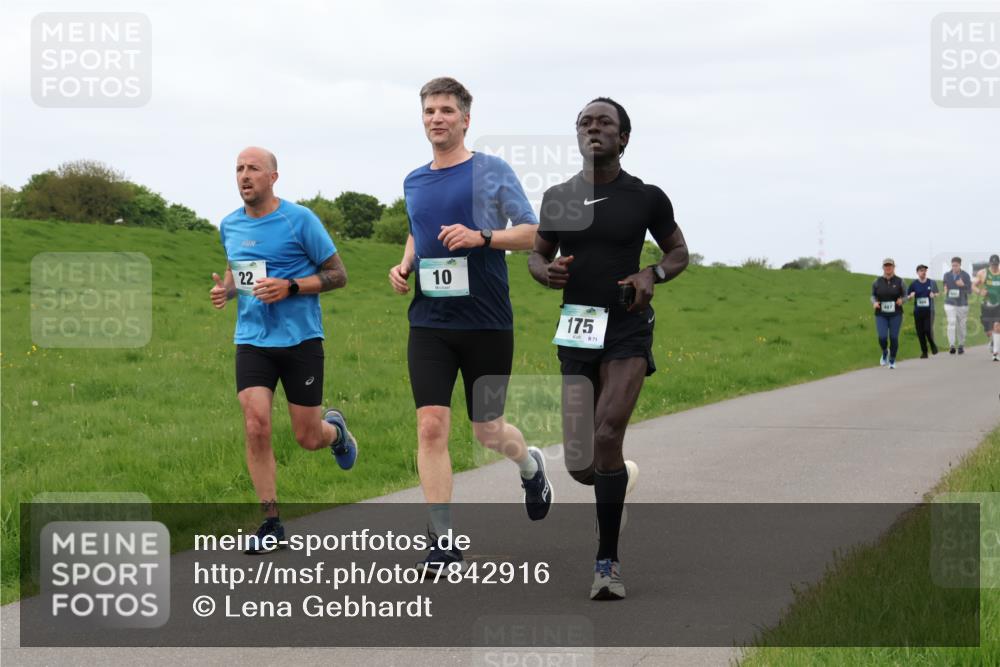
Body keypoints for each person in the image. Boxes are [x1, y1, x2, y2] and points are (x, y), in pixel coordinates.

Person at [387, 77, 553, 573]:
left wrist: (481, 237)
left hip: (486, 322)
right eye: (429, 111)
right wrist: (405, 264)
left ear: (465, 119)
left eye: (446, 110)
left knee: (487, 429)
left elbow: (533, 234)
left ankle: (530, 466)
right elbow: (417, 230)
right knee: (431, 426)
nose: (436, 118)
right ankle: (443, 541)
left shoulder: (490, 171)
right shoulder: (414, 181)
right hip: (430, 323)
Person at [528, 97, 688, 600]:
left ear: (623, 138)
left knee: (607, 431)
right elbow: (537, 254)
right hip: (577, 330)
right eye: (585, 122)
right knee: (582, 463)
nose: (593, 128)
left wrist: (652, 273)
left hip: (626, 329)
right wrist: (546, 272)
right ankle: (616, 482)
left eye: (604, 122)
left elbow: (678, 251)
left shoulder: (646, 197)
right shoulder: (558, 197)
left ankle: (607, 562)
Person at [211, 147, 358, 555]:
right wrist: (225, 291)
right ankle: (271, 523)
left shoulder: (300, 220)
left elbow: (338, 275)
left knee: (307, 437)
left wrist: (290, 286)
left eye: (253, 168)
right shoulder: (229, 224)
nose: (244, 175)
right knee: (255, 424)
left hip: (300, 340)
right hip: (252, 340)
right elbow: (238, 272)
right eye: (239, 168)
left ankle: (336, 432)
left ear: (273, 177)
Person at [871, 258, 905, 369]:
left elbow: (905, 295)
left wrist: (902, 300)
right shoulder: (877, 282)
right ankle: (885, 351)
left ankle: (892, 360)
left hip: (896, 314)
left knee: (894, 337)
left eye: (890, 265)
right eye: (886, 266)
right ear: (883, 267)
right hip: (881, 314)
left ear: (894, 267)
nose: (888, 267)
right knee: (882, 337)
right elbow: (873, 295)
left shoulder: (900, 281)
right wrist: (874, 302)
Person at [906, 264, 939, 358]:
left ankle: (933, 345)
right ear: (917, 272)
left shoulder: (931, 282)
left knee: (927, 329)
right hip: (918, 311)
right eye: (921, 270)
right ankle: (924, 352)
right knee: (920, 332)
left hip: (929, 311)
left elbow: (937, 293)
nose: (923, 272)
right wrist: (910, 296)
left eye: (924, 270)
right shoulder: (914, 284)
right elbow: (907, 296)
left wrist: (934, 295)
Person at [973, 253, 1000, 362]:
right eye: (993, 265)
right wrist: (980, 291)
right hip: (987, 305)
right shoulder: (983, 273)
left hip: (998, 304)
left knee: (997, 327)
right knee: (989, 331)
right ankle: (993, 342)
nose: (994, 267)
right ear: (990, 264)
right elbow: (973, 286)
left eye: (996, 265)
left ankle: (995, 353)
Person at [942, 257, 972, 354]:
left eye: (956, 265)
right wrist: (945, 289)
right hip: (949, 303)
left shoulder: (966, 275)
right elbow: (945, 285)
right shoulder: (947, 275)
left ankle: (961, 345)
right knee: (951, 322)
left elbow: (970, 291)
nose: (954, 267)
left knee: (961, 325)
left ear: (960, 265)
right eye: (953, 265)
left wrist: (963, 285)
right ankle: (951, 345)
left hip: (962, 304)